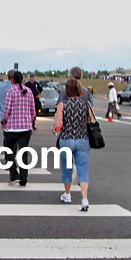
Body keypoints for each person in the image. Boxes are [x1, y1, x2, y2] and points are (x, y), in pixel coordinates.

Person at [53, 78, 93, 211]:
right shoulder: (86, 104)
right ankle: (84, 198)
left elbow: (58, 124)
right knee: (83, 169)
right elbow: (92, 120)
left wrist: (56, 127)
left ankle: (67, 194)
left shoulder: (62, 105)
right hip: (82, 139)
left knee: (67, 168)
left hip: (66, 139)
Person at [2, 70, 36, 186]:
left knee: (9, 152)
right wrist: (31, 120)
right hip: (26, 127)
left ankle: (14, 175)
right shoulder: (29, 91)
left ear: (12, 80)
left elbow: (7, 109)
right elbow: (33, 110)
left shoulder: (11, 91)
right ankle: (24, 178)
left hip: (12, 128)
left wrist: (4, 121)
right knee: (23, 153)